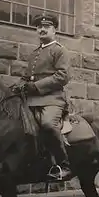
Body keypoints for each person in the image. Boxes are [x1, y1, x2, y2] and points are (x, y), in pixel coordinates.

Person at [14, 13, 74, 182]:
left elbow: (63, 76)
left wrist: (36, 86)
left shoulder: (59, 51)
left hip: (52, 99)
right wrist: (18, 85)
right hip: (31, 100)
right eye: (39, 27)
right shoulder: (34, 53)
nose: (42, 30)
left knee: (48, 124)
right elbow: (27, 76)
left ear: (54, 30)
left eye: (46, 27)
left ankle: (64, 166)